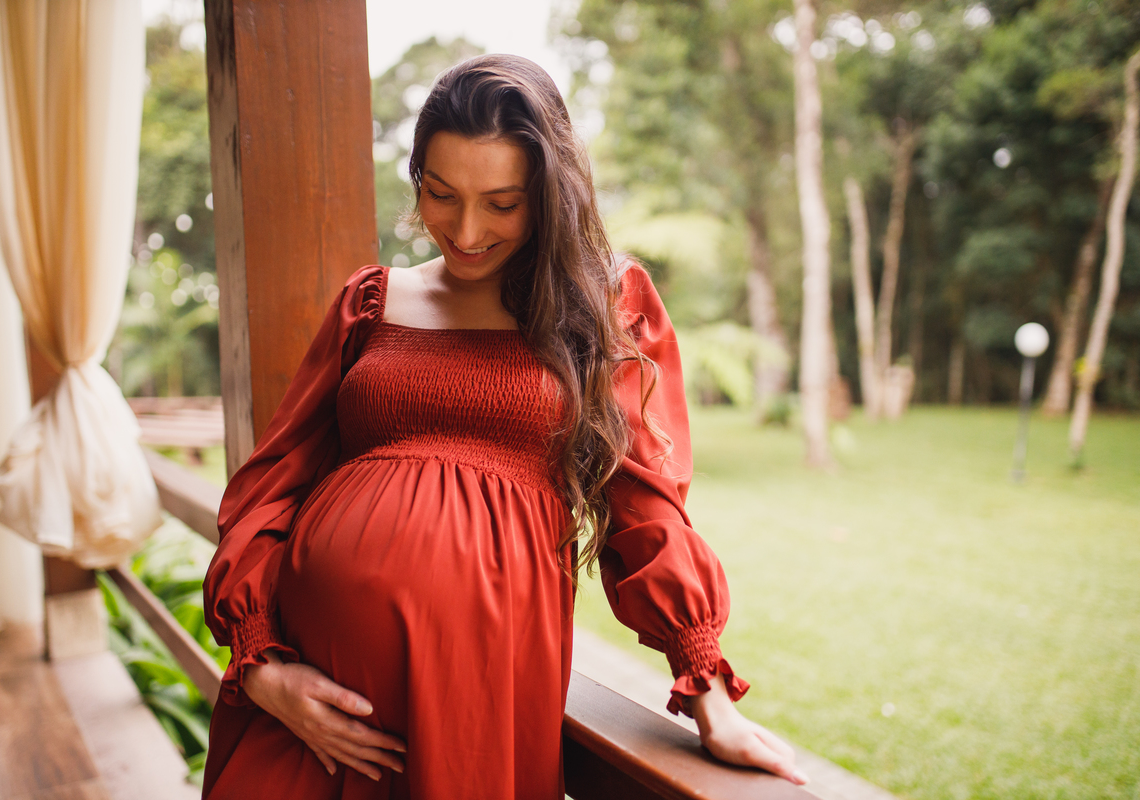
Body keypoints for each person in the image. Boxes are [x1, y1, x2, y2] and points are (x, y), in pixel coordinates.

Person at [200, 54, 806, 799]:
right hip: (307, 713)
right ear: (417, 176)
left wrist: (707, 690)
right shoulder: (371, 303)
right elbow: (271, 485)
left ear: (550, 197)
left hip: (475, 698)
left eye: (503, 203)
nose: (465, 229)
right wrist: (262, 669)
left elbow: (645, 508)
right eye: (441, 194)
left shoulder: (603, 311)